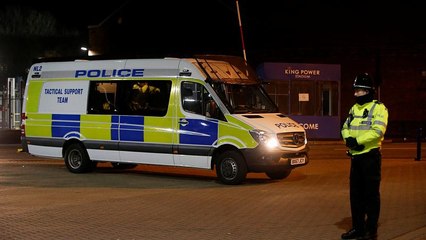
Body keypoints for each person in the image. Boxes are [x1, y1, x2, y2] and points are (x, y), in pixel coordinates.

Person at [341, 73, 389, 240]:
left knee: (371, 195)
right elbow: (345, 126)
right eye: (355, 91)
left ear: (368, 91)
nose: (356, 94)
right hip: (356, 158)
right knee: (355, 196)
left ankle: (371, 229)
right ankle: (358, 228)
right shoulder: (354, 108)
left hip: (370, 157)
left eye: (359, 91)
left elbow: (378, 131)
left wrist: (358, 141)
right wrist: (348, 139)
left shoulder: (379, 108)